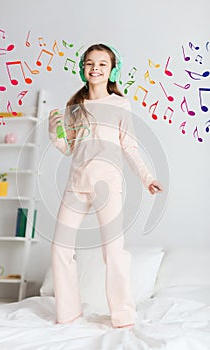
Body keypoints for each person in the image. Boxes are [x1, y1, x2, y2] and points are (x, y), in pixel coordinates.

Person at [49, 43, 163, 328]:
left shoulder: (120, 104)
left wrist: (147, 177)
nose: (95, 68)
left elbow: (130, 147)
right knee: (60, 248)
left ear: (113, 70)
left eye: (102, 63)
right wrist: (55, 129)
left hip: (108, 185)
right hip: (76, 183)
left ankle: (123, 316)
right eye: (89, 63)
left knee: (113, 251)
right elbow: (68, 147)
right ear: (82, 68)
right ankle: (68, 313)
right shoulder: (75, 106)